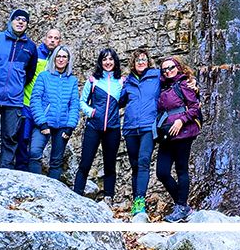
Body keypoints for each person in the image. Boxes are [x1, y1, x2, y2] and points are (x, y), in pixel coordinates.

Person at [0, 8, 38, 169]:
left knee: (10, 137)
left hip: (14, 100)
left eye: (24, 20)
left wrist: (16, 86)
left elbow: (29, 73)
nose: (20, 22)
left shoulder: (31, 47)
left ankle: (5, 170)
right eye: (17, 19)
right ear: (10, 21)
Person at [155, 55, 202, 222]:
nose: (168, 71)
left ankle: (181, 207)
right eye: (165, 69)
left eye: (171, 68)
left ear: (178, 67)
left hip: (183, 132)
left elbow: (195, 107)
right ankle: (183, 206)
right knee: (162, 172)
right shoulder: (162, 86)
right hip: (167, 134)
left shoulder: (185, 84)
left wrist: (181, 121)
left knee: (182, 169)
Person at [74, 48, 122, 206]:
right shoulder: (93, 80)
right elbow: (82, 102)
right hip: (93, 126)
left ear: (115, 62)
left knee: (110, 164)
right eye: (104, 59)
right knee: (85, 163)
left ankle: (109, 197)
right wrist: (91, 112)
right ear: (100, 62)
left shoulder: (121, 81)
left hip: (113, 128)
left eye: (110, 59)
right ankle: (77, 195)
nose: (108, 62)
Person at [119, 47, 161, 221]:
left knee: (143, 162)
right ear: (133, 64)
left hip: (148, 127)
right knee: (135, 165)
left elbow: (176, 80)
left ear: (148, 61)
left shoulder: (157, 76)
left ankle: (140, 201)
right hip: (130, 128)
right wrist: (120, 86)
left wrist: (191, 82)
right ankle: (136, 200)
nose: (141, 63)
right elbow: (120, 101)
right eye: (138, 60)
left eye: (144, 59)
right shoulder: (128, 81)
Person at [28, 45, 79, 179]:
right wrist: (42, 123)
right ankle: (36, 186)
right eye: (58, 56)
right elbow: (35, 100)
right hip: (44, 123)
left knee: (56, 161)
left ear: (68, 60)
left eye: (64, 57)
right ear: (54, 58)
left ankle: (53, 194)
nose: (61, 59)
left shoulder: (72, 80)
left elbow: (74, 104)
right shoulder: (43, 76)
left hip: (63, 125)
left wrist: (70, 127)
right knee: (34, 153)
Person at [16, 27, 62, 170]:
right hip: (27, 103)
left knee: (37, 144)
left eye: (56, 38)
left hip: (45, 110)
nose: (52, 40)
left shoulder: (60, 60)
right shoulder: (34, 53)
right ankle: (20, 170)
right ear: (45, 38)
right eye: (50, 37)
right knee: (23, 138)